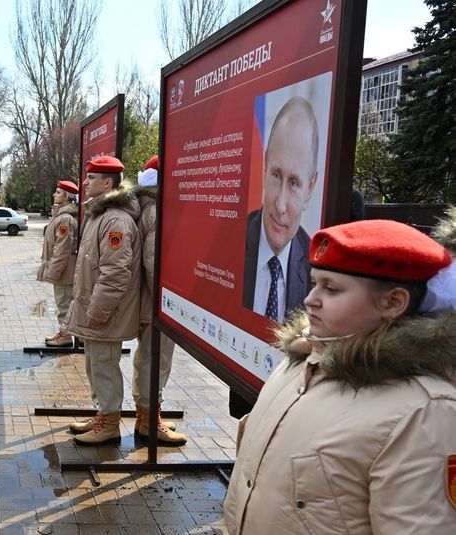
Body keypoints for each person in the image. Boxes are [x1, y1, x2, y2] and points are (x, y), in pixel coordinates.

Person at [224, 219, 456, 534]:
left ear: (393, 302)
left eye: (331, 289)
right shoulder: (301, 360)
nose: (310, 300)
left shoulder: (425, 412)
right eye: (314, 283)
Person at [235, 96, 320, 419]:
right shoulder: (237, 242)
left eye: (295, 183)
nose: (281, 204)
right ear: (265, 164)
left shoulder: (316, 266)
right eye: (276, 176)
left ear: (311, 186)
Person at [64, 155, 141, 445]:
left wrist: (97, 312)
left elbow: (115, 273)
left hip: (106, 314)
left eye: (91, 178)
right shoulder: (100, 214)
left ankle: (109, 425)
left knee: (105, 366)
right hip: (95, 312)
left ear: (107, 183)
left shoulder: (116, 220)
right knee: (95, 365)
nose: (85, 182)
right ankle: (103, 415)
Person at [131, 156, 187, 445]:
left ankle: (145, 415)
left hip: (143, 301)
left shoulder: (145, 207)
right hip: (155, 303)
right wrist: (167, 307)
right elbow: (154, 263)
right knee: (157, 359)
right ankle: (151, 419)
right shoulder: (157, 212)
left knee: (146, 358)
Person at [37, 180, 79, 347]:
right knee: (63, 302)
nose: (54, 194)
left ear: (67, 197)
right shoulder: (61, 216)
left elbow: (62, 250)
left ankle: (65, 335)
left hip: (65, 269)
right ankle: (65, 333)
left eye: (59, 192)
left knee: (64, 304)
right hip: (64, 268)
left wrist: (53, 272)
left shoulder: (65, 220)